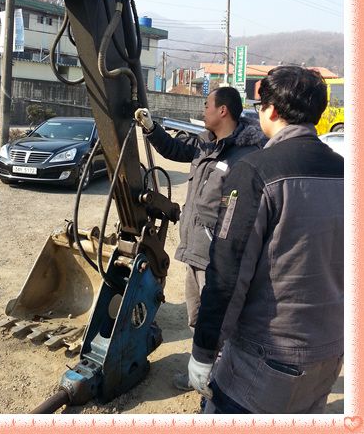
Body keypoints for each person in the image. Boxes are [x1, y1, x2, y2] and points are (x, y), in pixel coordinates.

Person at [188, 66, 344, 414]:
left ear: (271, 110)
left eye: (260, 105)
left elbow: (228, 272)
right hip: (329, 354)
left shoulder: (257, 171)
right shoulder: (345, 171)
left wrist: (203, 351)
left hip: (266, 361)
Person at [135, 87, 265, 390]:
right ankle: (202, 376)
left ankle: (222, 384)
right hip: (195, 249)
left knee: (222, 323)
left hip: (220, 258)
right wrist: (151, 128)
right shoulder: (205, 144)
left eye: (207, 104)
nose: (203, 109)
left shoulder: (246, 156)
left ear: (223, 111)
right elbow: (174, 150)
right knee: (197, 317)